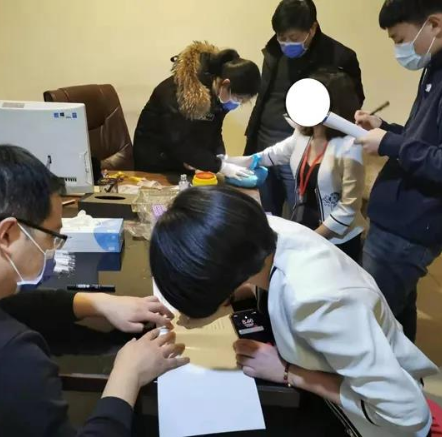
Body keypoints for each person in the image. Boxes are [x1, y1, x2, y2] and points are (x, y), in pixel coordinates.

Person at [0, 145, 189, 436]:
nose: (53, 249)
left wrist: (98, 303)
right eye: (53, 237)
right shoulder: (11, 360)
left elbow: (6, 306)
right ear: (7, 235)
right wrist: (127, 375)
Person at [150, 186, 439, 437]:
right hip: (342, 372)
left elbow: (407, 415)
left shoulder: (317, 301)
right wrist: (226, 295)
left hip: (373, 421)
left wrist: (289, 373)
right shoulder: (261, 229)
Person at [355, 0, 442, 342]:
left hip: (410, 228)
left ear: (434, 24)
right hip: (397, 216)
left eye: (399, 39)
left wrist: (390, 144)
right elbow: (427, 140)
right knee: (395, 315)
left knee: (369, 326)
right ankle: (403, 372)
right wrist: (385, 129)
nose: (399, 49)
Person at [226, 68, 366, 262]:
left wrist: (311, 238)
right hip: (304, 225)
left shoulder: (350, 146)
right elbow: (273, 155)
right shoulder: (303, 133)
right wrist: (226, 162)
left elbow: (348, 208)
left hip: (337, 239)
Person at [242, 0, 365, 217]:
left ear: (312, 28)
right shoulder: (274, 50)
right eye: (282, 37)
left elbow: (351, 104)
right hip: (265, 141)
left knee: (300, 214)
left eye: (293, 38)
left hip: (304, 149)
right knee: (262, 212)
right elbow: (265, 97)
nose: (286, 43)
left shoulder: (339, 57)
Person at [133, 41, 260, 179]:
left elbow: (214, 130)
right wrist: (221, 166)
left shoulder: (218, 92)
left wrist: (220, 155)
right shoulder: (179, 92)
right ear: (225, 84)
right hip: (156, 163)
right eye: (238, 98)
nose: (238, 104)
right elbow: (179, 141)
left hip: (182, 160)